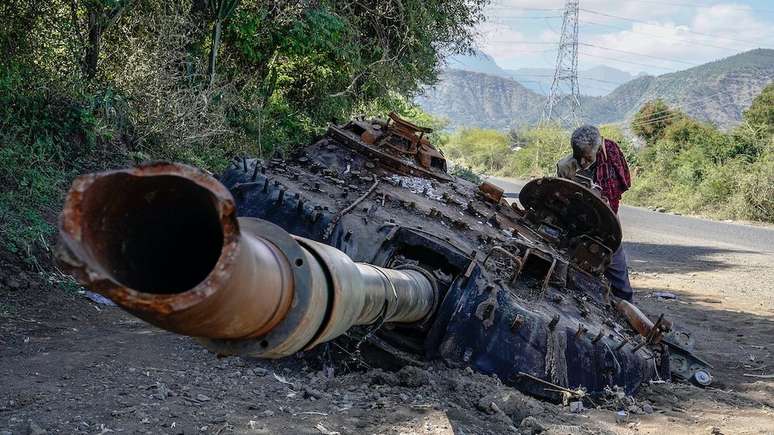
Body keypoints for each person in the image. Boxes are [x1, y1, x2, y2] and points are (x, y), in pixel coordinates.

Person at [556, 125, 633, 301]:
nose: (582, 162)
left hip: (607, 223)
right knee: (568, 271)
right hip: (575, 223)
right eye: (578, 156)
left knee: (620, 279)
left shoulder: (611, 156)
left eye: (587, 157)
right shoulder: (565, 167)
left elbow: (619, 188)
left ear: (598, 149)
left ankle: (628, 316)